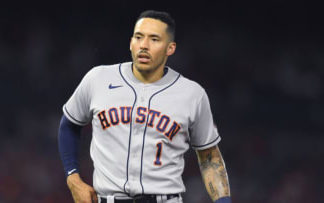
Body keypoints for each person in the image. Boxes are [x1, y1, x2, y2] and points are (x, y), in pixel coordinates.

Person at [58, 10, 231, 203]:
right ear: (131, 42)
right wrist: (73, 177)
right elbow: (69, 125)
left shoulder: (192, 94)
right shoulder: (98, 79)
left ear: (170, 48)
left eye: (154, 39)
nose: (144, 45)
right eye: (139, 37)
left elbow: (209, 156)